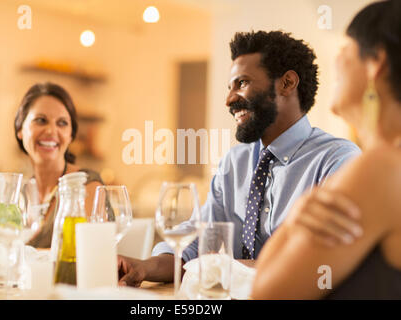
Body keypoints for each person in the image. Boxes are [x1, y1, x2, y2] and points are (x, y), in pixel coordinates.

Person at [117, 31, 361, 286]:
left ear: (287, 83)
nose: (229, 99)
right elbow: (197, 244)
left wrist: (230, 268)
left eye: (242, 83)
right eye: (230, 87)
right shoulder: (234, 162)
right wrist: (143, 267)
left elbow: (326, 265)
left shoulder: (337, 161)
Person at [252, 0, 401, 299]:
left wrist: (294, 220)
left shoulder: (380, 167)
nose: (332, 62)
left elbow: (266, 293)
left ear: (376, 63)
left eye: (344, 51)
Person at [14, 82, 104, 248]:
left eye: (62, 123)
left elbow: (80, 255)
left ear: (71, 135)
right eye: (41, 120)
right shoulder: (18, 193)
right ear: (20, 129)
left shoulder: (86, 185)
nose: (51, 131)